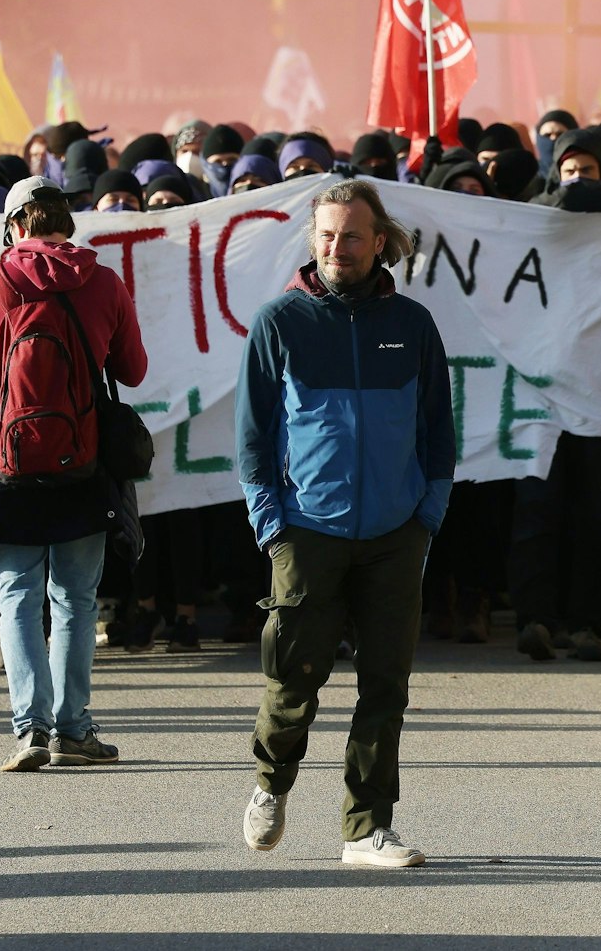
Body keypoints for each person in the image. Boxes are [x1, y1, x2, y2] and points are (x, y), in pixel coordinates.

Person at [236, 178, 452, 868]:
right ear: (313, 240)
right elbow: (252, 437)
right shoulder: (280, 322)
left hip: (396, 535)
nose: (338, 248)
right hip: (306, 532)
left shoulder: (413, 324)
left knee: (385, 688)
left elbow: (438, 429)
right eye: (327, 236)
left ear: (379, 241)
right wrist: (272, 526)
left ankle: (366, 829)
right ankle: (271, 780)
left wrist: (426, 515)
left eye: (352, 236)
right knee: (293, 679)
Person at [0, 179, 147, 771]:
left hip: (9, 461)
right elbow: (134, 371)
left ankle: (30, 731)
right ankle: (73, 729)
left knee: (16, 595)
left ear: (14, 226)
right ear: (68, 222)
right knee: (75, 598)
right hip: (83, 462)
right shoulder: (104, 282)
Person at [202, 124, 246, 196]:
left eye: (231, 159)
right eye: (218, 161)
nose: (225, 164)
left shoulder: (252, 187)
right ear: (205, 163)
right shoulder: (195, 192)